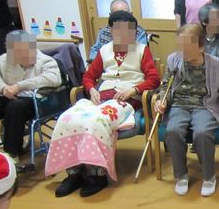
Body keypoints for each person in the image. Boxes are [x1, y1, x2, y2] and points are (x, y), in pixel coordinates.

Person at [48, 11, 159, 198]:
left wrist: (134, 90)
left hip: (126, 98)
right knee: (67, 118)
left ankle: (97, 174)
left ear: (134, 32)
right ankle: (74, 172)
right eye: (118, 30)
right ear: (111, 31)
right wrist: (91, 89)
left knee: (97, 121)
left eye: (129, 30)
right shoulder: (105, 50)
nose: (124, 34)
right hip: (102, 95)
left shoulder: (142, 50)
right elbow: (89, 76)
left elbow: (154, 79)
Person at [154, 24, 219, 197]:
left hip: (205, 105)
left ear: (201, 47)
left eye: (187, 47)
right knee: (173, 130)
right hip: (179, 104)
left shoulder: (215, 64)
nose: (183, 51)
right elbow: (165, 86)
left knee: (202, 132)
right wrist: (161, 100)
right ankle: (181, 176)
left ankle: (209, 177)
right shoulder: (173, 60)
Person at [0, 30, 61, 164]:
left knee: (15, 106)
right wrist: (3, 87)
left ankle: (12, 153)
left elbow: (54, 78)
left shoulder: (45, 61)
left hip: (34, 101)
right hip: (7, 95)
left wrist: (19, 86)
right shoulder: (4, 60)